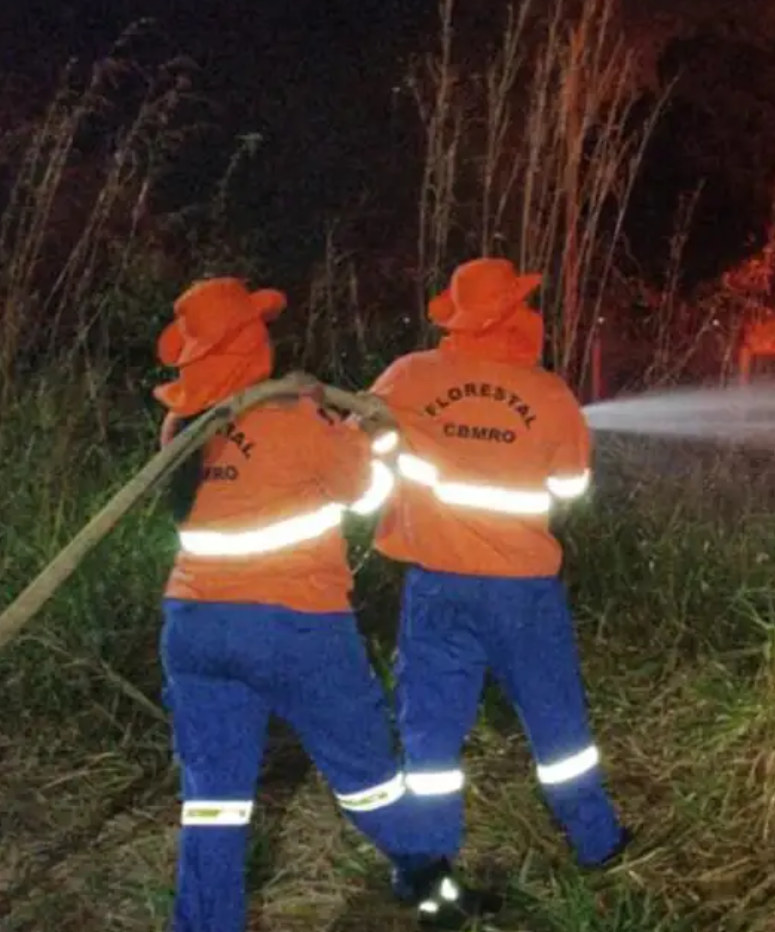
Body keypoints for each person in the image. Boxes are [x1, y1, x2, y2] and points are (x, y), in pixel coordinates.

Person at [152, 276, 498, 932]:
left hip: (194, 628)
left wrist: (311, 414)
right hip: (294, 627)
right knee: (368, 776)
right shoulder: (294, 423)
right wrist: (356, 429)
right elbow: (364, 496)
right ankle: (431, 884)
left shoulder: (181, 427)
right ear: (253, 342)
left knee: (214, 802)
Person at [363, 257, 630, 885]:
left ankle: (422, 869)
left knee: (429, 734)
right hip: (522, 594)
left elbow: (362, 450)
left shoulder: (408, 376)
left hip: (436, 585)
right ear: (517, 316)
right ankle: (598, 842)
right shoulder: (550, 394)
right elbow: (569, 488)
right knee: (557, 720)